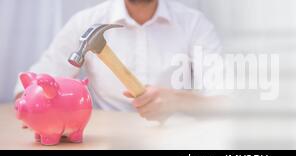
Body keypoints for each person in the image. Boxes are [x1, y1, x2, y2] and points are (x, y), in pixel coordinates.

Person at [14, 0, 226, 122]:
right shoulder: (86, 21)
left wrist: (178, 100)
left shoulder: (194, 24)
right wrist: (38, 109)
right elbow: (27, 91)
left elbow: (226, 103)